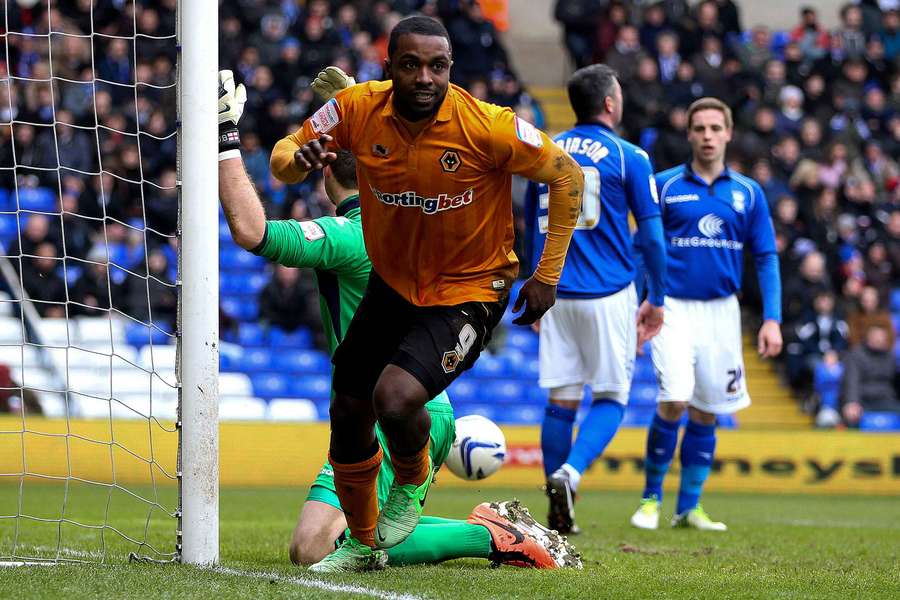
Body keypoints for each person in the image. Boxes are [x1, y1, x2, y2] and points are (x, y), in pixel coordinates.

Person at [217, 70, 581, 573]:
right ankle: (450, 529)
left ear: (328, 173)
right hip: (413, 403)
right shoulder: (406, 219)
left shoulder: (348, 235)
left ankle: (490, 536)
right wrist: (361, 105)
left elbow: (250, 230)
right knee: (329, 540)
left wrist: (225, 139)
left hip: (403, 409)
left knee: (316, 546)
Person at [525, 64, 666, 535]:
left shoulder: (545, 150)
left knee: (561, 399)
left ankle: (556, 509)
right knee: (611, 396)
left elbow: (530, 226)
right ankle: (570, 473)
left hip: (555, 291)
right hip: (608, 292)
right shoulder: (629, 156)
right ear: (610, 102)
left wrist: (537, 287)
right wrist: (657, 297)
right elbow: (652, 238)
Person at [630, 97, 783, 532]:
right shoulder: (664, 185)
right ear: (689, 134)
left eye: (716, 128)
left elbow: (766, 256)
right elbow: (641, 250)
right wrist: (640, 302)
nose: (708, 136)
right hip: (672, 307)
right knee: (675, 398)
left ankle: (689, 508)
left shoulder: (748, 193)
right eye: (700, 128)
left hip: (722, 312)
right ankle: (650, 499)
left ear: (729, 133)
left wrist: (772, 318)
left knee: (707, 410)